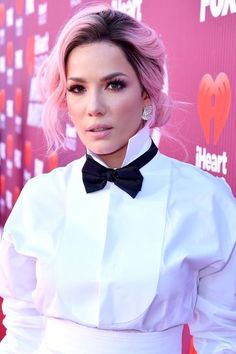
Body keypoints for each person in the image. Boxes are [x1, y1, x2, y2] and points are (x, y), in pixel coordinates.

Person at [0, 3, 236, 354]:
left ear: (146, 92)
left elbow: (222, 336)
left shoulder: (206, 200)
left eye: (113, 84)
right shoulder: (40, 198)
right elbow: (22, 327)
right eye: (78, 88)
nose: (93, 106)